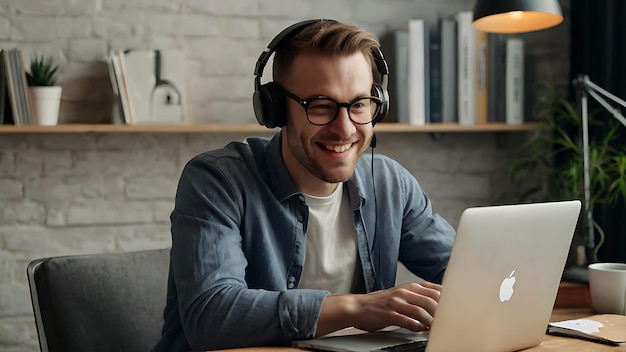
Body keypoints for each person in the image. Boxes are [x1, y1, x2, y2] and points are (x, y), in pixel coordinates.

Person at [152, 19, 456, 352]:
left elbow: (463, 270)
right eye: (322, 106)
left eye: (358, 105)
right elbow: (212, 317)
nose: (345, 129)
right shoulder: (217, 181)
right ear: (277, 109)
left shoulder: (390, 183)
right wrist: (357, 308)